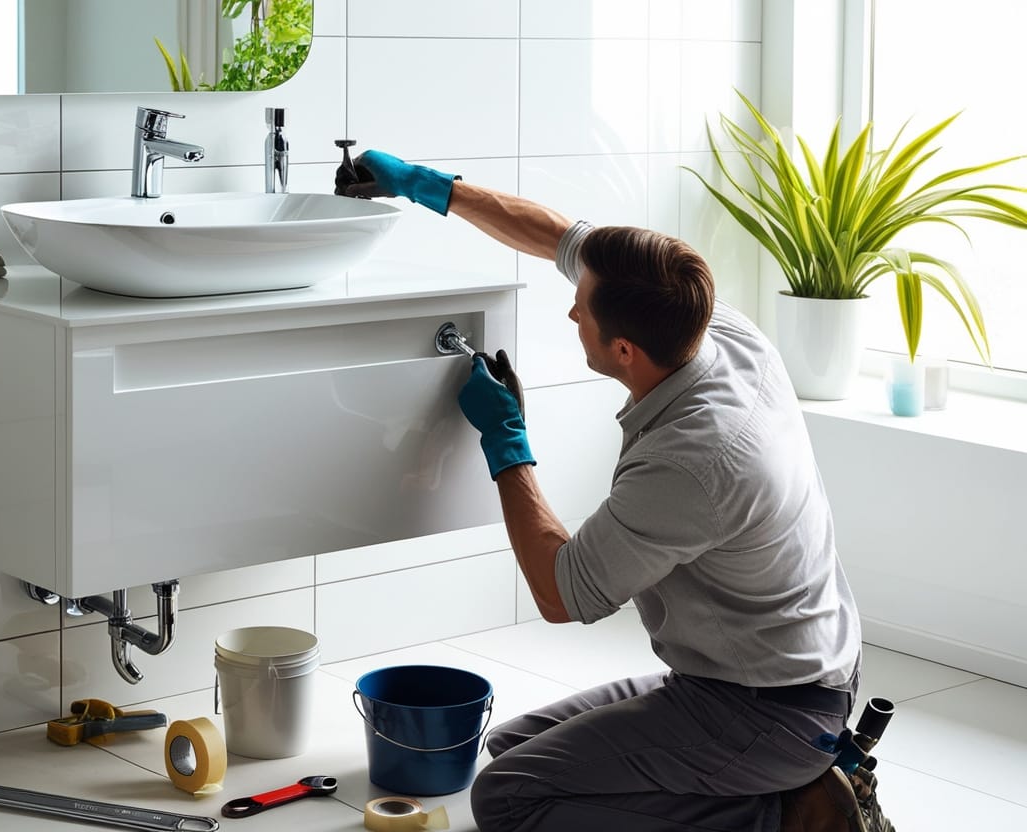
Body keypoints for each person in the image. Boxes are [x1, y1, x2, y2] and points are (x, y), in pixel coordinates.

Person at [338, 151, 895, 832]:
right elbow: (557, 236)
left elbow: (559, 592)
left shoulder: (696, 460)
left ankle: (783, 819)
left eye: (581, 310)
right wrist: (427, 187)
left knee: (508, 797)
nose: (571, 308)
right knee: (512, 749)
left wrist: (507, 441)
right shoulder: (714, 327)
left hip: (766, 709)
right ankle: (794, 794)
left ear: (625, 350)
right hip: (763, 678)